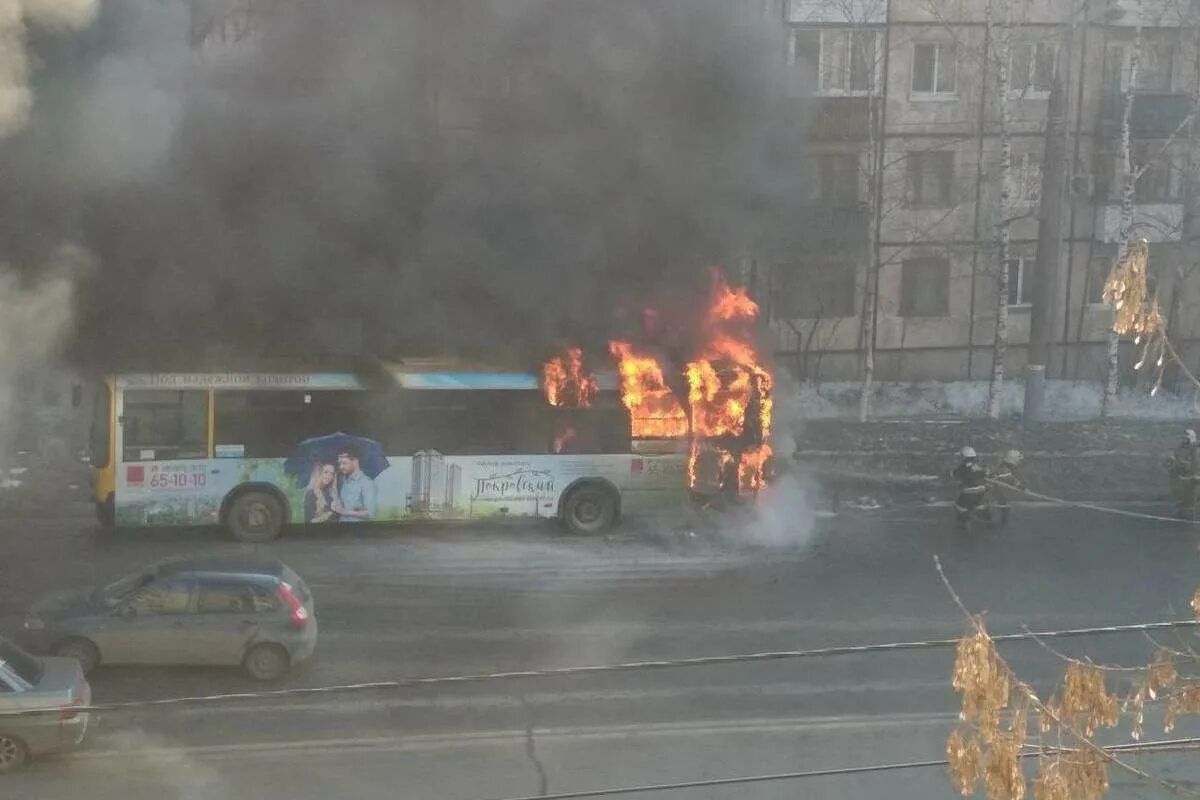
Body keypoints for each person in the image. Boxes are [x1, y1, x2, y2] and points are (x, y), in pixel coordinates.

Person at [332, 444, 377, 522]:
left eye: (344, 463)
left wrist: (347, 512)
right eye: (339, 463)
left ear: (355, 461)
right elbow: (343, 504)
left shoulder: (367, 483)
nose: (340, 467)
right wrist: (336, 504)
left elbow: (370, 513)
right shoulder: (343, 480)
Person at [952, 446, 990, 526]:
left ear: (963, 457)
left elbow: (956, 475)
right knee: (979, 504)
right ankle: (986, 518)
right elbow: (986, 473)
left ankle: (964, 521)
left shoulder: (963, 467)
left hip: (968, 491)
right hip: (982, 490)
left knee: (959, 506)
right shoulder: (980, 466)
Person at [1168, 429, 1199, 520]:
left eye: (1188, 436)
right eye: (1184, 436)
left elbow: (1195, 463)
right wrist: (1171, 459)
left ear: (1193, 437)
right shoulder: (1181, 447)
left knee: (1191, 499)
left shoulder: (1196, 449)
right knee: (1183, 497)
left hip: (1194, 478)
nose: (1185, 437)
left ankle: (1190, 518)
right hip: (1183, 477)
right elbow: (1175, 456)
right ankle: (1183, 513)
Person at [990, 450, 1024, 526]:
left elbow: (1009, 478)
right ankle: (1003, 523)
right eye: (1018, 460)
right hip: (993, 492)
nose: (1019, 462)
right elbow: (1010, 478)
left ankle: (1003, 522)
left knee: (1004, 504)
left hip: (998, 493)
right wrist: (1019, 485)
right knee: (1003, 506)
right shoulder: (1004, 469)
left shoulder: (1004, 468)